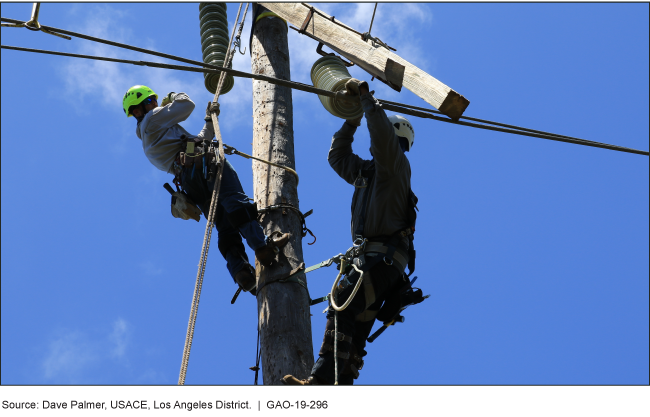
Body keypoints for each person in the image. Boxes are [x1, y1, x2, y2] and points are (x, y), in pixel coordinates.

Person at [282, 79, 418, 385]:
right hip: (380, 262)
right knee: (353, 327)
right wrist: (352, 121)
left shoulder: (396, 167)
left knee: (342, 300)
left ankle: (318, 381)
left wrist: (367, 102)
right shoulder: (369, 174)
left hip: (381, 261)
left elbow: (382, 136)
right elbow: (337, 158)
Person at [122, 85, 289, 295]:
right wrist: (172, 97)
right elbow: (186, 104)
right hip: (204, 165)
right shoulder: (153, 119)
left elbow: (197, 143)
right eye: (151, 102)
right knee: (234, 200)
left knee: (224, 224)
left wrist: (209, 121)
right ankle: (262, 247)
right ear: (141, 108)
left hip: (190, 180)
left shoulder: (151, 136)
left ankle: (242, 273)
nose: (155, 105)